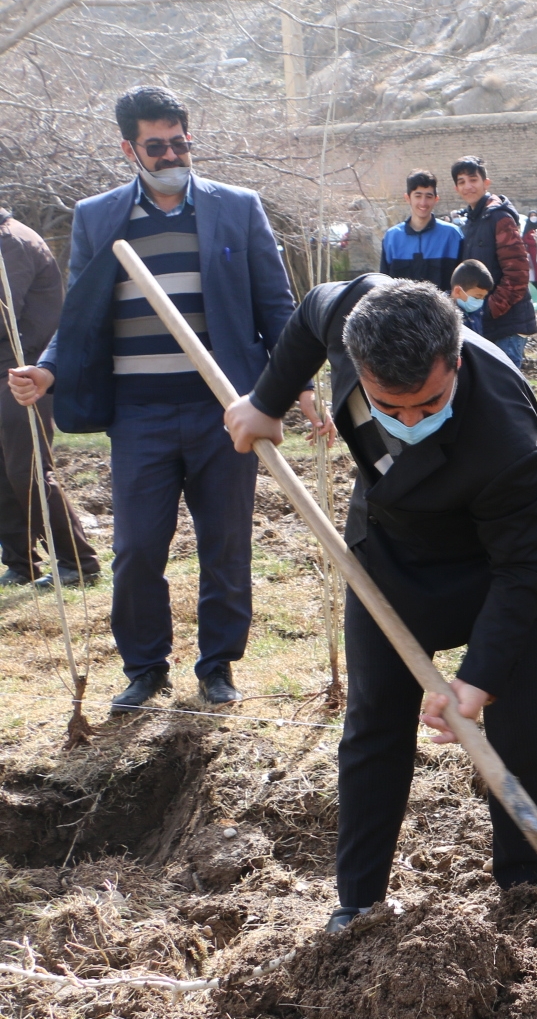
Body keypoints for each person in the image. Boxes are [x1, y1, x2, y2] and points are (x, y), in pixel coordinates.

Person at [226, 275, 537, 934]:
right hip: (388, 560)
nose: (410, 421)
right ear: (357, 367)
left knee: (520, 732)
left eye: (430, 403)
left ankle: (533, 899)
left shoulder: (507, 438)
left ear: (458, 361)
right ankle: (357, 903)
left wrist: (479, 678)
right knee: (374, 725)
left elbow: (524, 569)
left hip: (495, 573)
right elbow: (307, 314)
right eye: (391, 407)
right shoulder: (352, 316)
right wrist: (265, 402)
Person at [8, 85, 317, 714]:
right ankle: (145, 669)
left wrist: (301, 386)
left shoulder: (237, 208)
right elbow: (81, 316)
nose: (173, 153)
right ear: (130, 149)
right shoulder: (100, 217)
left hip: (225, 411)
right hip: (138, 416)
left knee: (226, 542)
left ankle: (218, 666)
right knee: (138, 549)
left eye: (181, 140)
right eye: (157, 145)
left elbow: (277, 308)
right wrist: (48, 371)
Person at [0, 207, 101, 588]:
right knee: (2, 472)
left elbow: (4, 316)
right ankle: (20, 563)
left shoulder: (12, 243)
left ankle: (79, 562)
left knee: (26, 471)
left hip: (24, 373)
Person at [451, 156, 534, 368]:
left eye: (473, 179)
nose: (468, 186)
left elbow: (518, 275)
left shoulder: (499, 218)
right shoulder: (469, 222)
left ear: (486, 182)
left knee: (507, 396)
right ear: (456, 188)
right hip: (484, 327)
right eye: (461, 182)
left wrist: (485, 310)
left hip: (506, 326)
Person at [379, 170, 463, 291]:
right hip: (403, 310)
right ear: (407, 198)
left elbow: (462, 286)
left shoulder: (453, 235)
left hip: (442, 309)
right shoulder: (392, 238)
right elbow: (383, 286)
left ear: (436, 199)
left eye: (428, 196)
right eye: (418, 196)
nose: (423, 202)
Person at [449, 259, 493, 334]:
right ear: (458, 291)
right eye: (477, 297)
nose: (480, 302)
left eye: (483, 297)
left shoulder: (477, 312)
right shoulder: (443, 314)